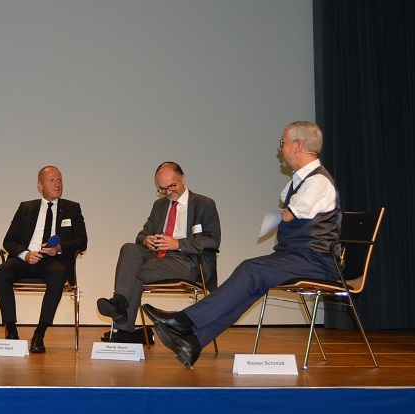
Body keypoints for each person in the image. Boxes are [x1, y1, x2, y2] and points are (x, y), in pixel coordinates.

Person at [143, 121, 341, 368]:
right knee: (253, 283)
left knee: (251, 270)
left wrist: (284, 212)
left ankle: (184, 321)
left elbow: (288, 214)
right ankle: (194, 342)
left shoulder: (318, 181)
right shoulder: (299, 180)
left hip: (317, 260)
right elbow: (285, 208)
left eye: (283, 143)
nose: (280, 149)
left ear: (299, 145)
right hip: (297, 257)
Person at [96, 162, 221, 343]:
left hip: (188, 261)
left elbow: (212, 240)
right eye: (162, 189)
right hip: (158, 258)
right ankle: (121, 305)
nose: (168, 193)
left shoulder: (204, 204)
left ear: (183, 178)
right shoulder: (159, 206)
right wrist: (146, 240)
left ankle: (123, 324)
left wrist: (177, 243)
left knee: (135, 273)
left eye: (172, 186)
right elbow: (142, 235)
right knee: (129, 249)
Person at [0, 166, 88, 353]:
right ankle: (11, 331)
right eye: (52, 180)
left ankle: (40, 334)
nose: (57, 184)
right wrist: (25, 254)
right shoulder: (25, 207)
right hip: (26, 258)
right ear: (40, 185)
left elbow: (82, 241)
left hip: (52, 261)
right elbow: (8, 241)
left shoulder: (72, 208)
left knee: (59, 274)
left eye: (60, 180)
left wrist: (60, 248)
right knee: (2, 271)